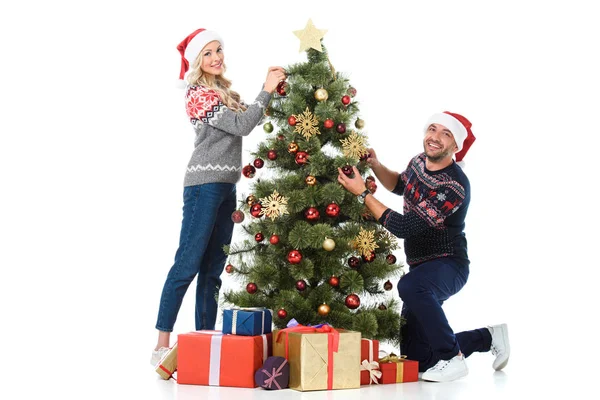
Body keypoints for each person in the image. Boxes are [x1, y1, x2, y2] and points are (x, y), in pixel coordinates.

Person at [337, 111, 509, 382]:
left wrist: (363, 194)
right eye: (432, 129)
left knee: (409, 286)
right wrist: (376, 165)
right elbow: (400, 185)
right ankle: (487, 337)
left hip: (448, 264)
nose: (435, 137)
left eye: (446, 134)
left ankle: (452, 358)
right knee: (417, 361)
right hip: (421, 267)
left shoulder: (453, 186)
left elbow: (405, 228)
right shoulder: (418, 162)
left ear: (456, 146)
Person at [151, 28, 286, 366]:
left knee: (213, 269)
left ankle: (204, 339)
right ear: (198, 61)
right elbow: (242, 125)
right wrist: (265, 90)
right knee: (188, 264)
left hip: (226, 185)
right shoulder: (198, 94)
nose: (216, 57)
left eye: (219, 50)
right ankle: (160, 345)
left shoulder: (225, 91)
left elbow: (253, 116)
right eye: (208, 53)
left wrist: (275, 91)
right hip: (203, 184)